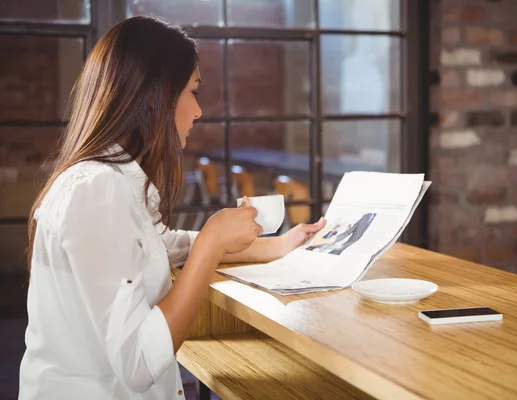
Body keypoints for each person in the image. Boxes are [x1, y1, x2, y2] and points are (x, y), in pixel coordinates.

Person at [18, 16, 325, 400]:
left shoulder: (118, 181)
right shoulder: (97, 190)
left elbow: (162, 245)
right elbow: (138, 366)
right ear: (156, 95)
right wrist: (213, 242)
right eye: (193, 91)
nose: (197, 111)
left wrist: (274, 246)